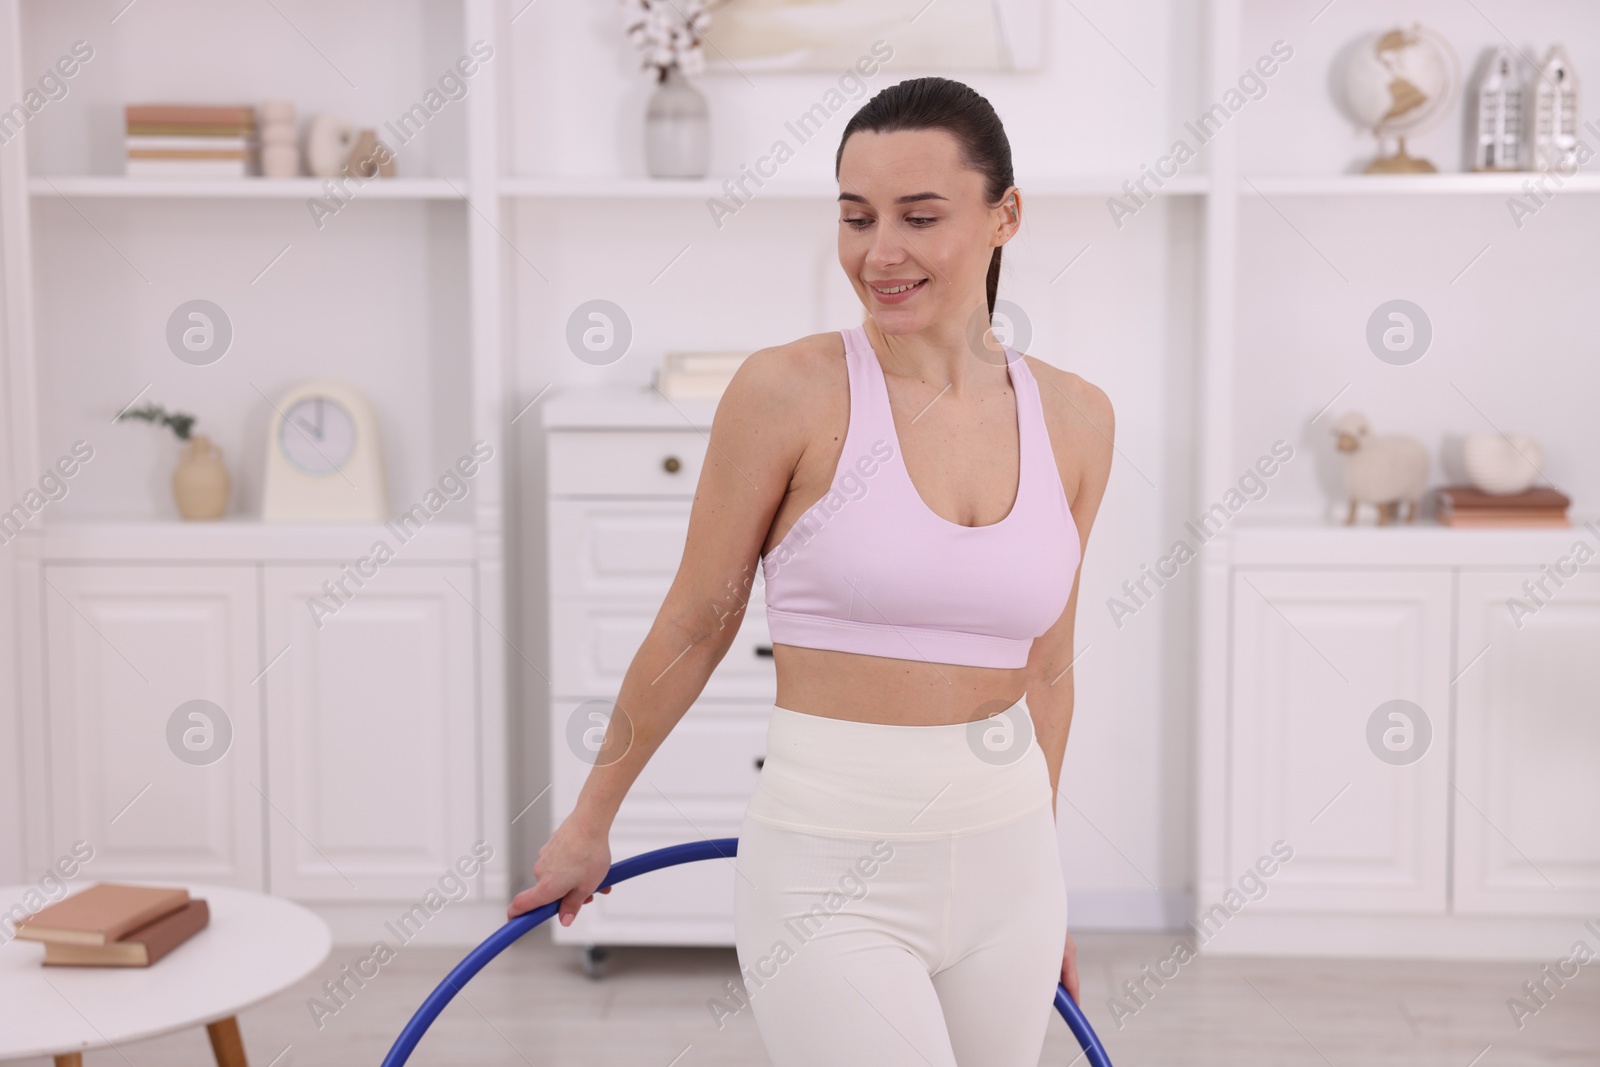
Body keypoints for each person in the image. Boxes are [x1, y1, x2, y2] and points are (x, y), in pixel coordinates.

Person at [511, 75, 1115, 1067]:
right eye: (854, 216)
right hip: (829, 866)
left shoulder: (1079, 416)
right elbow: (695, 620)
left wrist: (1045, 880)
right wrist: (589, 818)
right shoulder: (786, 392)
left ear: (1005, 214)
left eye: (920, 216)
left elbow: (1048, 664)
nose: (879, 251)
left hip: (1010, 866)